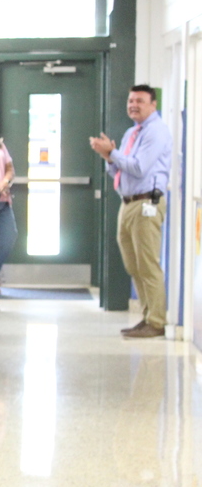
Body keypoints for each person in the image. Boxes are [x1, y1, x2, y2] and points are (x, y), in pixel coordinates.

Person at [90, 84, 172, 338]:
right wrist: (109, 158)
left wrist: (112, 153)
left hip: (147, 203)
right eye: (130, 101)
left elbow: (138, 168)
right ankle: (146, 316)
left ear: (153, 104)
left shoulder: (156, 132)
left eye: (140, 100)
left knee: (147, 264)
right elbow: (118, 170)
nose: (133, 105)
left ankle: (156, 322)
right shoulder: (131, 133)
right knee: (133, 265)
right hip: (128, 203)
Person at [0, 137, 17, 279]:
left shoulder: (0, 144)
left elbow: (10, 169)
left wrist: (5, 181)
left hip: (2, 201)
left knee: (9, 236)